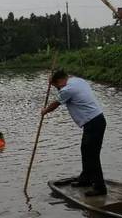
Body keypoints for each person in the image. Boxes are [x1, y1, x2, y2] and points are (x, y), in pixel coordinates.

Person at [41, 69, 107, 197]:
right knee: (85, 150)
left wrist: (45, 111)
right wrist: (54, 84)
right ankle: (86, 179)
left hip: (94, 123)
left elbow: (56, 103)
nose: (57, 88)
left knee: (92, 155)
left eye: (57, 86)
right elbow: (62, 92)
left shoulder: (67, 90)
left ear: (60, 81)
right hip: (95, 121)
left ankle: (100, 187)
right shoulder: (78, 80)